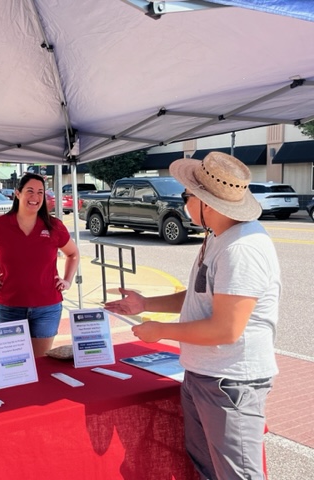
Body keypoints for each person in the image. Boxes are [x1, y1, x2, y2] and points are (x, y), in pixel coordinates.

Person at [105, 152, 280, 480]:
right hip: (207, 375)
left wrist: (161, 331)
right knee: (206, 469)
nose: (183, 202)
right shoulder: (218, 237)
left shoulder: (242, 248)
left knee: (236, 474)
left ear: (206, 203)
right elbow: (200, 296)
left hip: (230, 382)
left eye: (186, 195)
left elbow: (226, 329)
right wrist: (146, 303)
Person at [0, 172, 79, 356]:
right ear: (18, 193)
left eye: (40, 192)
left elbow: (73, 254)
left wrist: (67, 280)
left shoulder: (54, 226)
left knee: (40, 364)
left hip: (47, 308)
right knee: (11, 365)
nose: (35, 197)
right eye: (30, 191)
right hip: (9, 307)